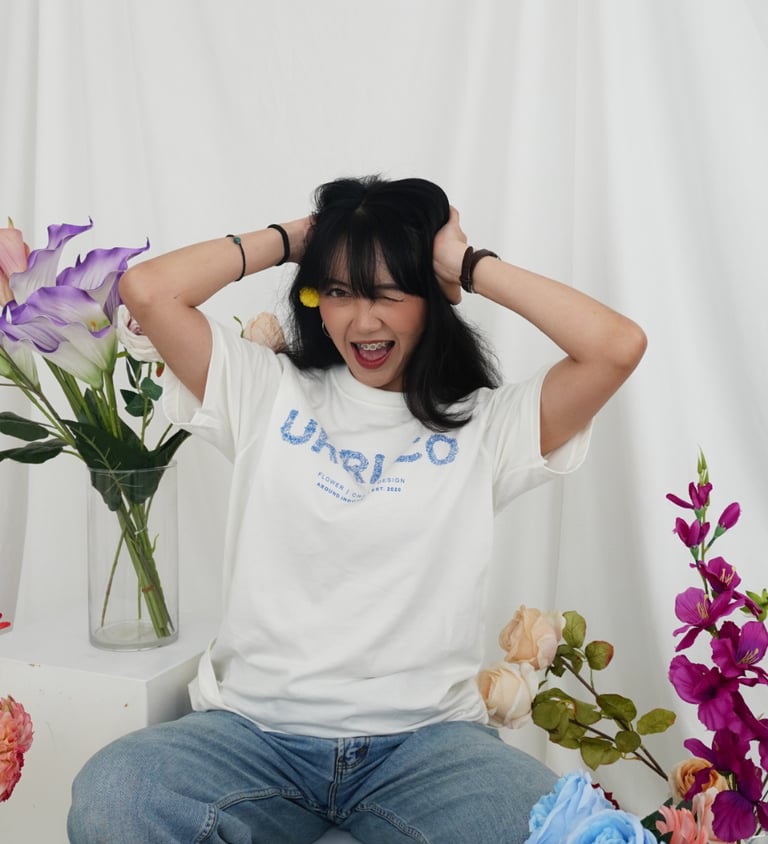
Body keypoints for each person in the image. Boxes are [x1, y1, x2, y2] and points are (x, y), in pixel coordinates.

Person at [67, 175, 646, 844]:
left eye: (388, 293)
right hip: (251, 737)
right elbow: (148, 289)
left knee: (559, 829)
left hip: (430, 749)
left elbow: (616, 347)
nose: (362, 322)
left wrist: (462, 263)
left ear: (430, 297)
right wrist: (300, 238)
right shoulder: (264, 390)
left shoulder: (490, 426)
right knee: (116, 796)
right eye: (339, 291)